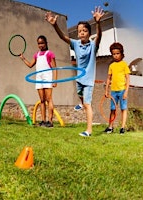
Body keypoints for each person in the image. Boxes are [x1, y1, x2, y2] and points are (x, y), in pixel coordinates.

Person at [45, 6, 105, 137]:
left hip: (88, 80)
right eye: (79, 31)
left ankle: (88, 130)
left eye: (84, 30)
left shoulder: (93, 46)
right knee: (80, 95)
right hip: (79, 78)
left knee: (88, 104)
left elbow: (99, 37)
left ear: (89, 33)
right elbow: (63, 37)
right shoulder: (76, 44)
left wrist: (98, 23)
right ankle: (82, 102)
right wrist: (55, 26)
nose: (82, 33)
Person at [19, 35, 57, 128]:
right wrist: (23, 58)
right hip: (39, 77)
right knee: (42, 100)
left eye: (42, 43)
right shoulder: (36, 54)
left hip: (47, 77)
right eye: (39, 43)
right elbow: (30, 65)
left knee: (49, 99)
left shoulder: (49, 54)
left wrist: (55, 80)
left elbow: (55, 68)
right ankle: (43, 121)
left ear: (46, 43)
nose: (40, 45)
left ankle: (50, 121)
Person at [104, 42, 130, 134]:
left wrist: (126, 92)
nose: (115, 55)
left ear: (122, 54)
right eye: (113, 54)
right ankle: (110, 127)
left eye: (117, 53)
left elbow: (128, 79)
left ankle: (122, 128)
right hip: (113, 91)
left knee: (123, 109)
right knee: (112, 109)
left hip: (122, 90)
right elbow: (108, 79)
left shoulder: (124, 64)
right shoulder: (111, 66)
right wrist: (106, 90)